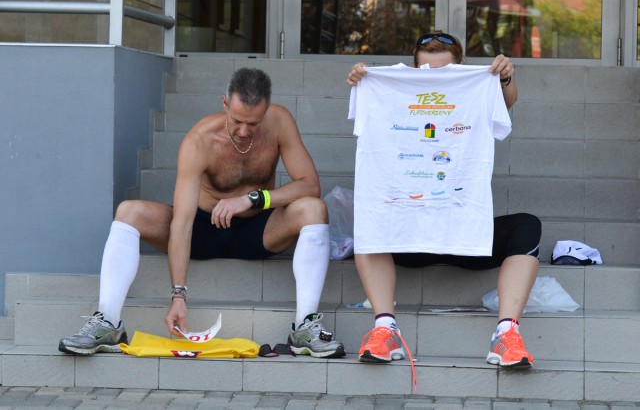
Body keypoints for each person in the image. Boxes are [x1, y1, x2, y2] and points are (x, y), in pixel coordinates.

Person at [59, 67, 345, 359]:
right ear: (225, 104)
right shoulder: (200, 140)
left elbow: (309, 185)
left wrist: (254, 198)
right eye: (237, 121)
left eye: (253, 123)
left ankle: (304, 327)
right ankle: (107, 322)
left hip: (259, 230)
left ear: (267, 110)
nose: (244, 131)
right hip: (202, 230)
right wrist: (178, 295)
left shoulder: (280, 122)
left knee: (314, 209)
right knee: (128, 211)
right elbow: (182, 223)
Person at [346, 32, 541, 368]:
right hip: (409, 236)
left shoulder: (476, 90)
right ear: (412, 68)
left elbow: (506, 103)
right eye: (425, 71)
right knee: (368, 214)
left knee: (527, 226)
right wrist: (365, 82)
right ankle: (385, 329)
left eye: (445, 72)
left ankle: (507, 335)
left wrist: (504, 78)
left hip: (463, 231)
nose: (434, 78)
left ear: (461, 68)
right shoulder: (387, 90)